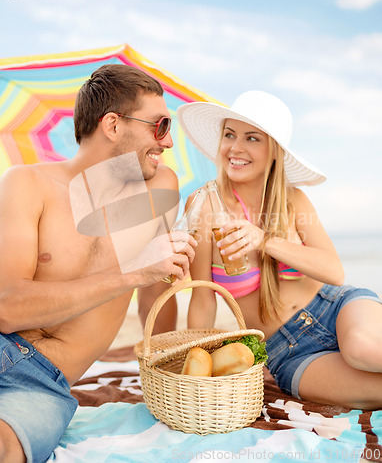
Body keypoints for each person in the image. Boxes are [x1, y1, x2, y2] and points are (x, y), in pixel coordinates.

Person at [0, 64, 196, 463]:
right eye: (159, 127)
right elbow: (7, 307)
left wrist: (168, 370)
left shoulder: (160, 189)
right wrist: (136, 270)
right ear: (112, 126)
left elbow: (155, 293)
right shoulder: (26, 183)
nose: (169, 142)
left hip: (42, 384)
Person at [177, 90, 382, 410]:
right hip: (287, 351)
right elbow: (202, 297)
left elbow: (334, 271)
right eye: (229, 134)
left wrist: (264, 240)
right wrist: (194, 369)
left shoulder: (293, 200)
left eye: (252, 138)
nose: (236, 147)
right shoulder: (203, 207)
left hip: (337, 308)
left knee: (362, 349)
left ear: (274, 151)